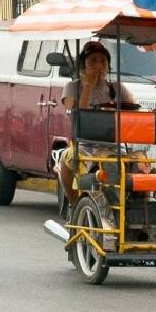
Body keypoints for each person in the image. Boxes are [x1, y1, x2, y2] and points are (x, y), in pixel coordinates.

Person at [59, 40, 137, 210]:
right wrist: (88, 86)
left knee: (141, 161)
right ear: (83, 66)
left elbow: (134, 110)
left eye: (102, 61)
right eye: (92, 61)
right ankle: (75, 206)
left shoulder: (117, 88)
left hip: (113, 146)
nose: (98, 66)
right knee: (66, 158)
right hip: (84, 146)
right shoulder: (72, 87)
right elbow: (77, 114)